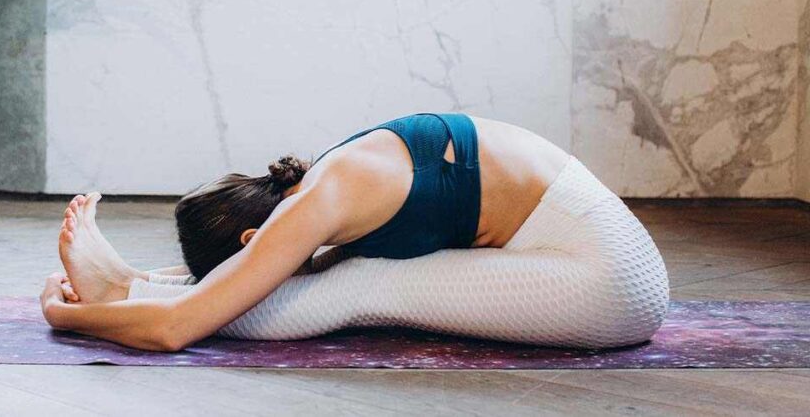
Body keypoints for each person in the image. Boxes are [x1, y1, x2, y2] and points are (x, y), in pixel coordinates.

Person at [40, 113, 669, 352]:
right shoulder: (335, 168)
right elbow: (281, 264)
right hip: (604, 252)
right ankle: (129, 284)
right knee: (346, 271)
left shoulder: (317, 204)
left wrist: (66, 317)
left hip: (610, 289)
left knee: (363, 282)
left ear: (253, 240)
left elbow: (179, 329)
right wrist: (155, 276)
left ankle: (119, 292)